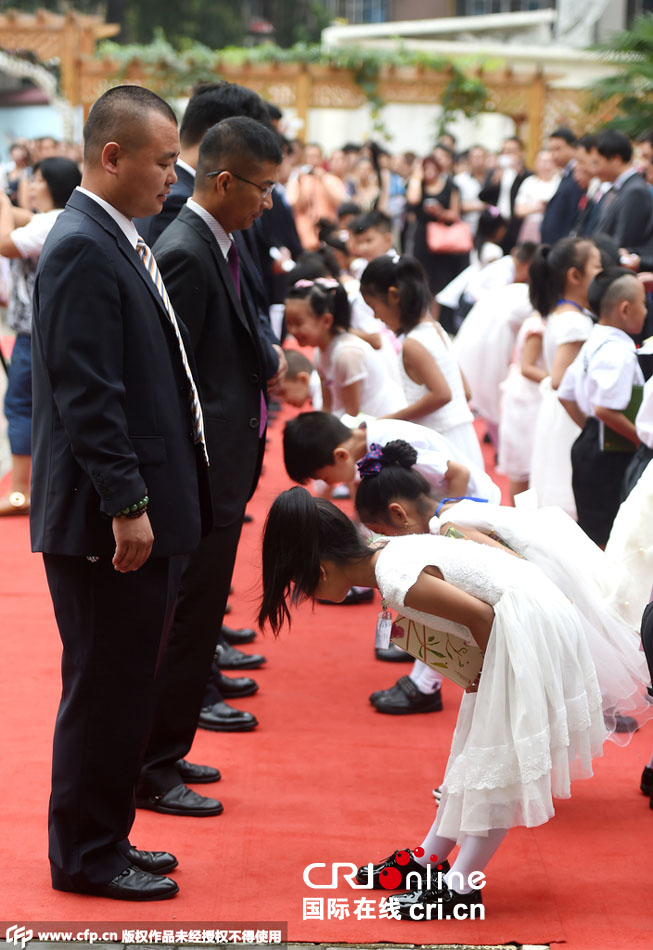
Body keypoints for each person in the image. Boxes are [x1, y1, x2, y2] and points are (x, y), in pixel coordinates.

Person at [259, 486, 607, 916]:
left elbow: (481, 616)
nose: (305, 594)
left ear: (324, 571)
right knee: (473, 755)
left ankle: (460, 887)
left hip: (525, 630)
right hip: (521, 625)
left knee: (497, 764)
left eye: (300, 585)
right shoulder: (387, 552)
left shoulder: (393, 577)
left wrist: (487, 674)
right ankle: (429, 860)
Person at [31, 85, 211, 900]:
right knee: (104, 688)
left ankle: (109, 837)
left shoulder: (114, 234)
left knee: (122, 683)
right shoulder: (80, 243)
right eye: (164, 160)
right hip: (108, 520)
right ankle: (86, 856)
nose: (174, 177)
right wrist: (126, 503)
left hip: (133, 507)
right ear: (114, 157)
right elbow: (86, 391)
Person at [131, 117, 283, 817]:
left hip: (226, 465)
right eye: (263, 189)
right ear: (224, 181)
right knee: (185, 622)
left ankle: (168, 748)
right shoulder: (187, 250)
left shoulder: (219, 240)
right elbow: (169, 378)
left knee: (195, 624)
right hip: (200, 474)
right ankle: (152, 768)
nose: (268, 204)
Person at [352, 442, 651, 735]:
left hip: (540, 595)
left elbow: (512, 566)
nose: (382, 539)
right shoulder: (453, 507)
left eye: (381, 531)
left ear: (399, 514)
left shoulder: (449, 529)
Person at [0, 157, 81, 515]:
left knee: (19, 406)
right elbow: (24, 220)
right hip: (52, 333)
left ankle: (20, 493)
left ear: (47, 185)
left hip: (33, 336)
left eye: (33, 180)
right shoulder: (59, 219)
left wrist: (3, 204)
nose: (27, 185)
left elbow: (4, 242)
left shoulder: (48, 221)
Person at [360, 255, 483, 467]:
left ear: (393, 296)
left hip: (442, 442)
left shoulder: (413, 344)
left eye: (374, 306)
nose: (375, 316)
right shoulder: (435, 328)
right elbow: (465, 392)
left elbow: (443, 394)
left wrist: (389, 420)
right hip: (463, 437)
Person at [558, 268, 646, 546]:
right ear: (625, 308)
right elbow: (605, 410)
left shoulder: (595, 340)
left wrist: (590, 430)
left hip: (591, 443)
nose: (646, 311)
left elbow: (566, 394)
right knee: (609, 534)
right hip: (610, 455)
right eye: (644, 303)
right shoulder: (618, 352)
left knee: (593, 529)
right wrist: (640, 440)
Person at [528, 237, 603, 515]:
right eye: (597, 267)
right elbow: (559, 378)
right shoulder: (576, 322)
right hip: (567, 414)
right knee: (567, 486)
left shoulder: (562, 313)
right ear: (575, 276)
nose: (602, 274)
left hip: (555, 411)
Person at [284, 275, 406, 419]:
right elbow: (327, 406)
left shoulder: (346, 354)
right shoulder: (319, 353)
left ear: (326, 321)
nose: (292, 330)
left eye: (298, 323)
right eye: (288, 323)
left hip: (384, 424)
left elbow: (352, 416)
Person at [497, 312, 547, 500]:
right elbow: (527, 367)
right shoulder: (538, 328)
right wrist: (557, 381)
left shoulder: (534, 320)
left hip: (526, 398)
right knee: (523, 468)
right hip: (528, 402)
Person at [593, 129, 653, 249]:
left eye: (597, 163)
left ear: (615, 159)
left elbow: (623, 241)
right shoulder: (620, 188)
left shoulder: (635, 191)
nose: (644, 165)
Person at [479, 136, 532, 252]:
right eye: (505, 151)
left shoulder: (527, 175)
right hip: (496, 224)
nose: (508, 155)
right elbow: (483, 196)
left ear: (521, 153)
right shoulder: (496, 172)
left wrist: (519, 174)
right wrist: (495, 181)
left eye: (511, 151)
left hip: (516, 224)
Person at [540, 127, 585, 245]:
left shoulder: (578, 176)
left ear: (573, 147)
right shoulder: (564, 174)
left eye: (558, 149)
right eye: (551, 150)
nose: (554, 154)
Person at [513, 149, 560, 243]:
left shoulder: (560, 181)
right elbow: (518, 210)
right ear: (536, 163)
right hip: (532, 226)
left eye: (549, 161)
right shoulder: (529, 182)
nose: (546, 165)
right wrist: (539, 207)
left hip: (555, 226)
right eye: (542, 161)